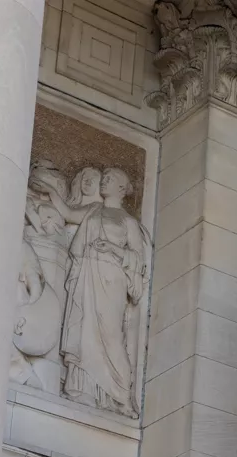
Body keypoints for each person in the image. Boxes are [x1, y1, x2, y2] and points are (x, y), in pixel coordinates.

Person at [44, 168, 147, 417]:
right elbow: (67, 213)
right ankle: (82, 390)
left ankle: (122, 396)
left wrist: (112, 247)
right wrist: (49, 191)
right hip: (87, 275)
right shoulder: (93, 211)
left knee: (110, 335)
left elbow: (138, 260)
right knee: (84, 329)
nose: (106, 179)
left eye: (112, 178)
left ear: (122, 189)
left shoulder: (128, 222)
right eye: (106, 176)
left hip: (112, 279)